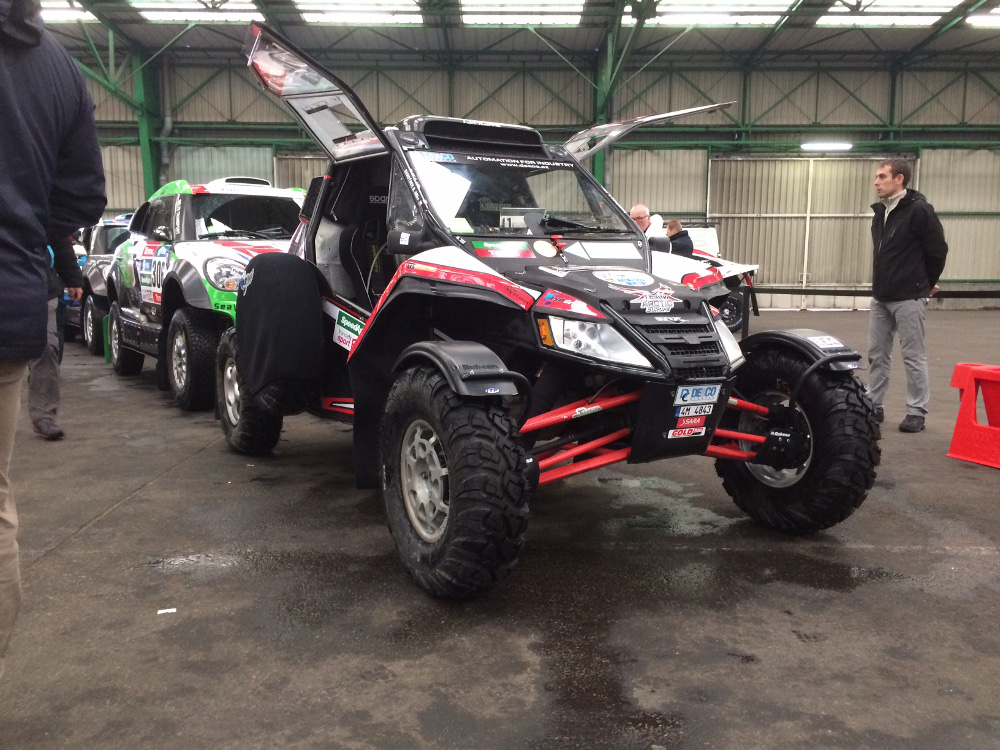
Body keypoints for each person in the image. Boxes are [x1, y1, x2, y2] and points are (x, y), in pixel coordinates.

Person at [1, 0, 106, 680]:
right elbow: (81, 197)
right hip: (10, 291)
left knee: (53, 360)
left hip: (24, 288)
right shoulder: (57, 66)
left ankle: (48, 416)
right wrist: (23, 236)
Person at [867, 158, 948, 434]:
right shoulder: (880, 212)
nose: (876, 182)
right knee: (877, 354)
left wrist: (926, 283)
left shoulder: (919, 211)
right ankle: (874, 405)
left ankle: (916, 412)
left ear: (899, 179)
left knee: (913, 356)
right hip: (881, 296)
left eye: (882, 176)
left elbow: (937, 250)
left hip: (908, 297)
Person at [28, 237, 84, 440]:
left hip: (40, 286)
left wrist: (73, 278)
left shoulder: (40, 214)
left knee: (47, 347)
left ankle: (44, 415)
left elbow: (59, 238)